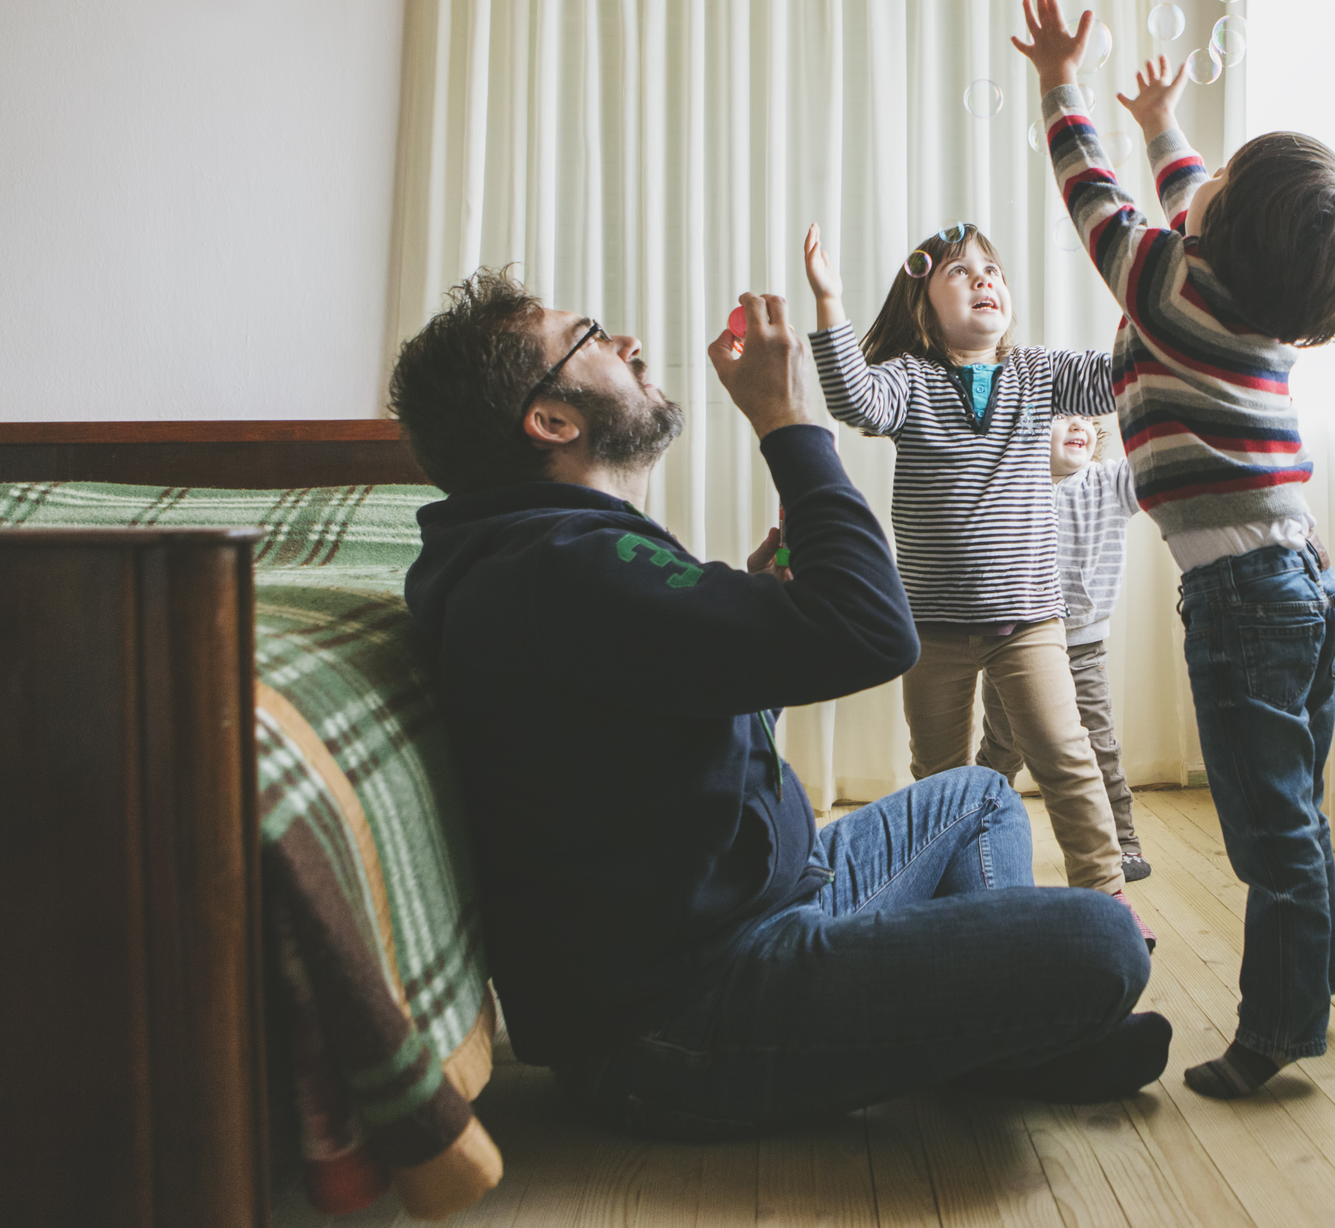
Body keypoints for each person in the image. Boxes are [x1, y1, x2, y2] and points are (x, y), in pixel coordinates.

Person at [386, 268, 1170, 1137]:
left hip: (771, 907)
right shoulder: (564, 567)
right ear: (552, 421)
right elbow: (879, 631)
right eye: (594, 338)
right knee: (1099, 940)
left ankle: (985, 1028)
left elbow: (669, 710)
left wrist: (754, 595)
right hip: (691, 1017)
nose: (630, 345)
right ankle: (992, 1030)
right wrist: (786, 419)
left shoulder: (549, 561)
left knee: (980, 797)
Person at [1012, 0, 1335, 1101]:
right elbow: (1191, 195)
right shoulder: (1245, 298)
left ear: (1221, 235)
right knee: (1298, 808)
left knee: (1267, 828)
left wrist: (1060, 84)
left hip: (1246, 597)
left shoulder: (1169, 287)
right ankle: (1308, 984)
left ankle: (1275, 1029)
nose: (1198, 180)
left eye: (1217, 182)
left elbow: (1096, 202)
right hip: (1303, 581)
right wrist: (1165, 124)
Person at [801, 222, 1151, 939]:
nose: (982, 279)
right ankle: (951, 900)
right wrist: (829, 303)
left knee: (1064, 754)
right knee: (939, 775)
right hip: (930, 626)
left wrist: (1150, 290)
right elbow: (854, 402)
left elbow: (1121, 372)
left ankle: (1107, 896)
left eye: (991, 269)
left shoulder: (1037, 373)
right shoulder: (909, 379)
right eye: (958, 272)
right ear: (923, 307)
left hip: (1029, 620)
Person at [977, 414, 1151, 881]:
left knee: (1099, 743)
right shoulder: (1012, 485)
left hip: (1083, 647)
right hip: (1015, 646)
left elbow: (1152, 465)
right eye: (1060, 416)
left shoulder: (1109, 481)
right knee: (1003, 744)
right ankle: (970, 831)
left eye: (1086, 418)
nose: (1078, 424)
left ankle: (1123, 843)